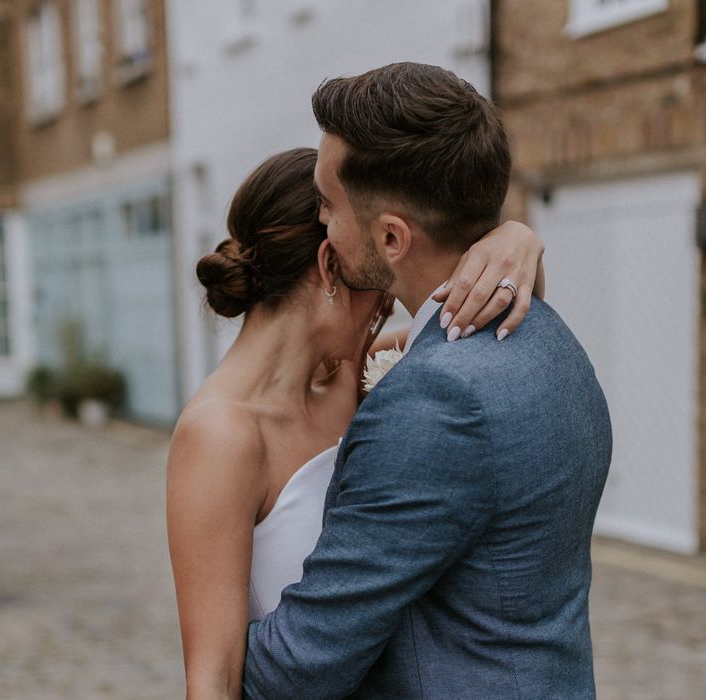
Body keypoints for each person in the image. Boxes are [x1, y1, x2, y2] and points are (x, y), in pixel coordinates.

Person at [241, 63, 612, 699]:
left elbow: (300, 665)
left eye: (328, 205)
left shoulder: (435, 400)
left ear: (391, 237)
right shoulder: (552, 340)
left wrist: (210, 644)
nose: (321, 225)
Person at [167, 146, 546, 698]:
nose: (390, 303)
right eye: (379, 278)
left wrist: (519, 240)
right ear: (330, 266)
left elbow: (473, 325)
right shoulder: (220, 436)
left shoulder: (357, 377)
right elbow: (213, 678)